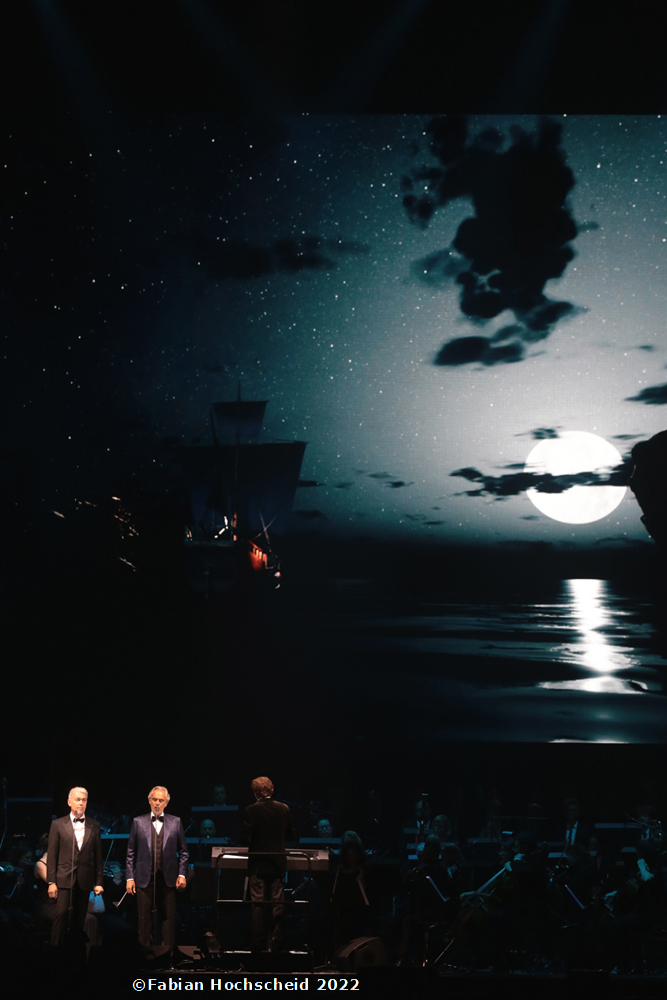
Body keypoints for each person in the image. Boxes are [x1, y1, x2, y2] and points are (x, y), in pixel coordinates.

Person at [126, 785, 188, 949]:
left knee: (168, 918)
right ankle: (144, 955)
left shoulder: (176, 822)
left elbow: (183, 851)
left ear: (166, 802)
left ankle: (167, 954)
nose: (157, 803)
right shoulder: (138, 822)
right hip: (144, 878)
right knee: (144, 919)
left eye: (161, 800)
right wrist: (130, 877)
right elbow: (131, 851)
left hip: (168, 878)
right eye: (154, 800)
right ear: (149, 801)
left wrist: (182, 874)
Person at [240, 776, 295, 953]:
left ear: (255, 793)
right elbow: (291, 835)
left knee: (258, 903)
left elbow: (244, 839)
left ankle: (257, 942)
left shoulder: (250, 810)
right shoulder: (284, 809)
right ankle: (276, 941)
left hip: (258, 863)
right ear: (272, 790)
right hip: (278, 862)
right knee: (278, 902)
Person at [46, 786, 104, 945]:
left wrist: (99, 882)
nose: (81, 803)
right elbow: (52, 855)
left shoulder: (94, 825)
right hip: (64, 878)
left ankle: (77, 953)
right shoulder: (58, 824)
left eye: (84, 800)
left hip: (84, 878)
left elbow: (98, 856)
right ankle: (56, 950)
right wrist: (51, 882)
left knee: (80, 918)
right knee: (62, 914)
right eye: (78, 800)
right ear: (69, 802)